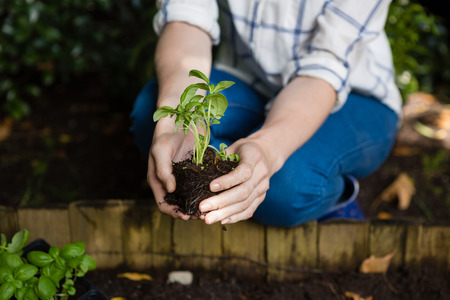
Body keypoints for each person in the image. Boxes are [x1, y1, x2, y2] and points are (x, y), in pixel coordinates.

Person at [130, 0, 402, 227]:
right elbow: (186, 17)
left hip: (348, 96)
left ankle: (335, 195)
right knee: (153, 121)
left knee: (286, 189)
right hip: (250, 80)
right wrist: (178, 120)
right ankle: (241, 182)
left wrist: (267, 148)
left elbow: (324, 68)